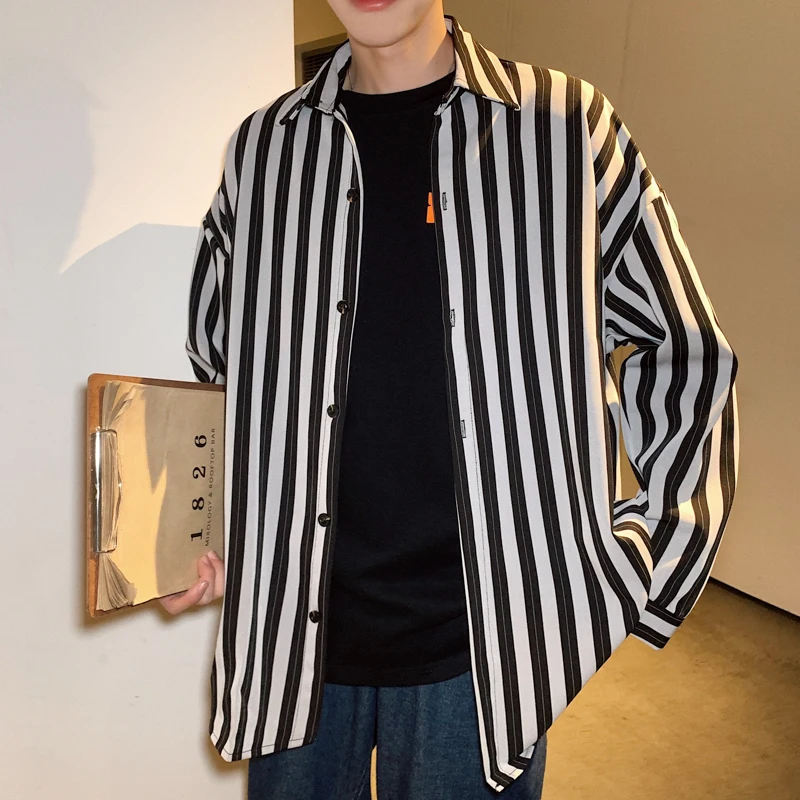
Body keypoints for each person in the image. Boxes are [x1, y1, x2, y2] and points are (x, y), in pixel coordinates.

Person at [163, 1, 739, 798]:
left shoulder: (565, 129)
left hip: (481, 651)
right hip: (293, 633)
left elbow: (681, 350)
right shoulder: (265, 149)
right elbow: (220, 360)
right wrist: (199, 534)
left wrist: (652, 550)